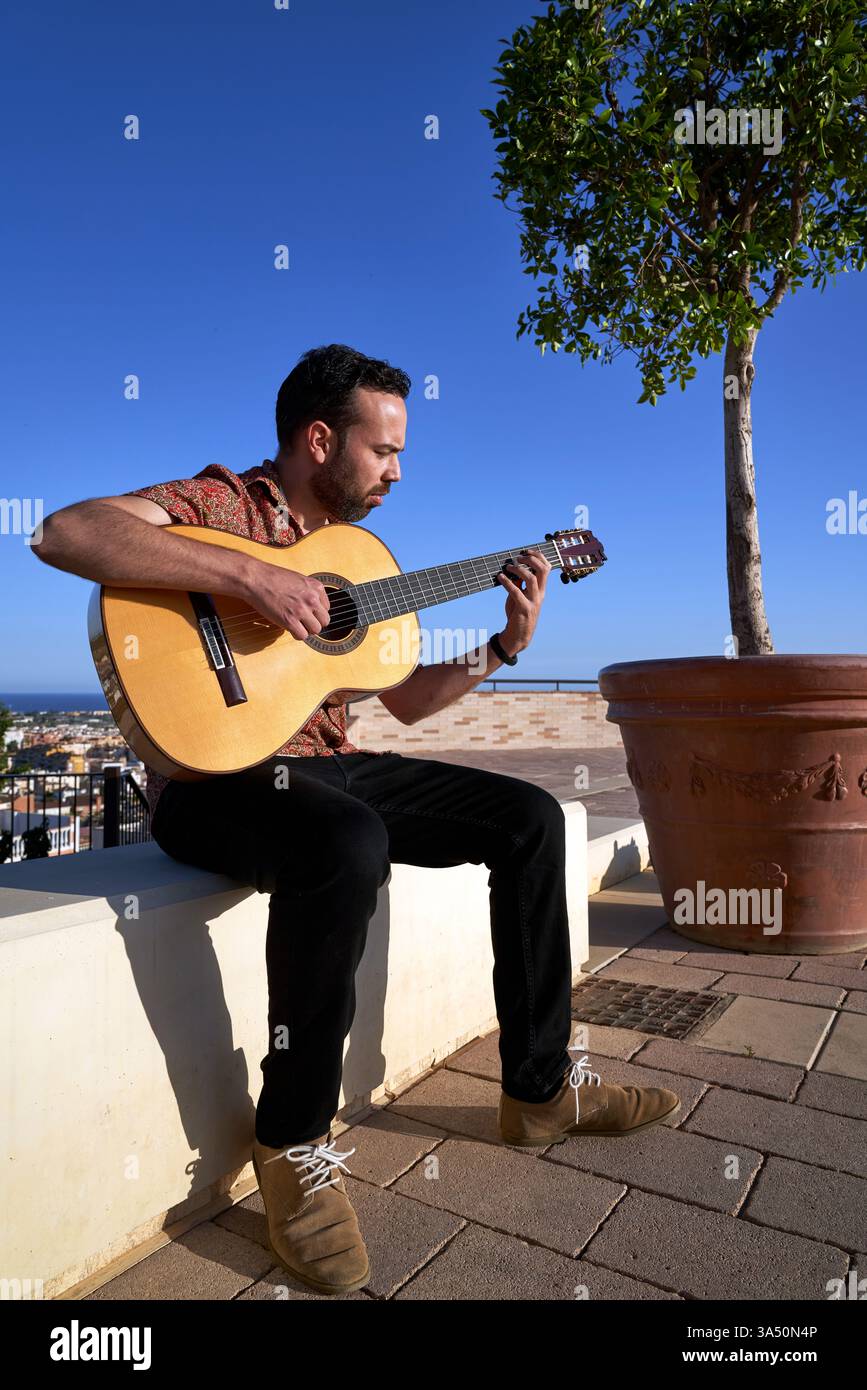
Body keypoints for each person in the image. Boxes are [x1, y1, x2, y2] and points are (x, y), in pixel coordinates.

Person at [33, 343, 680, 1296]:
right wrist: (255, 581)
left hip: (329, 769)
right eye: (383, 451)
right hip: (214, 778)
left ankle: (539, 1091)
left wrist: (502, 644)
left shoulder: (357, 563)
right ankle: (291, 1145)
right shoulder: (229, 506)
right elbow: (64, 533)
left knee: (533, 820)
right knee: (345, 842)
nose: (397, 472)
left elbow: (409, 702)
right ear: (320, 437)